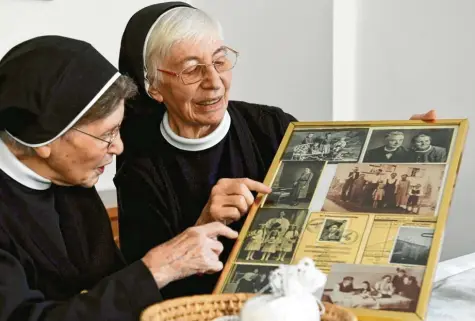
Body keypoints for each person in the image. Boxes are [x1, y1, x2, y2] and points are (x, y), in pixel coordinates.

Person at [114, 2, 437, 299]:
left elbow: (338, 187)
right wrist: (204, 223)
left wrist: (401, 147)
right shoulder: (139, 166)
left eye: (220, 60)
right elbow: (148, 287)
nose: (214, 81)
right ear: (154, 86)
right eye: (192, 69)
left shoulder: (270, 125)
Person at [0, 36, 237, 321]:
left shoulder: (72, 178)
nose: (119, 147)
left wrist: (194, 238)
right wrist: (153, 271)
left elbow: (107, 289)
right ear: (44, 142)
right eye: (106, 135)